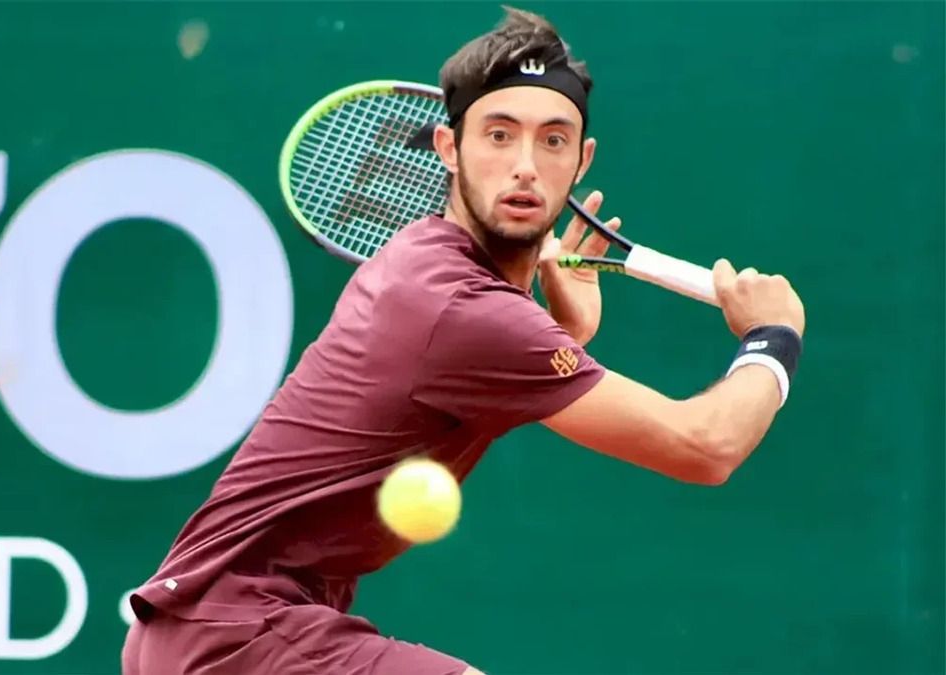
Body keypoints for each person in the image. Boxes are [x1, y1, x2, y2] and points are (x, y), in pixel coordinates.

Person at [121, 6, 805, 674]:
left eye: (554, 140)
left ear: (582, 160)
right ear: (449, 149)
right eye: (499, 135)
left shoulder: (437, 268)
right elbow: (704, 447)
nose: (525, 165)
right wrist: (772, 337)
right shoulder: (460, 307)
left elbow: (486, 365)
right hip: (239, 634)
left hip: (221, 632)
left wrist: (566, 332)